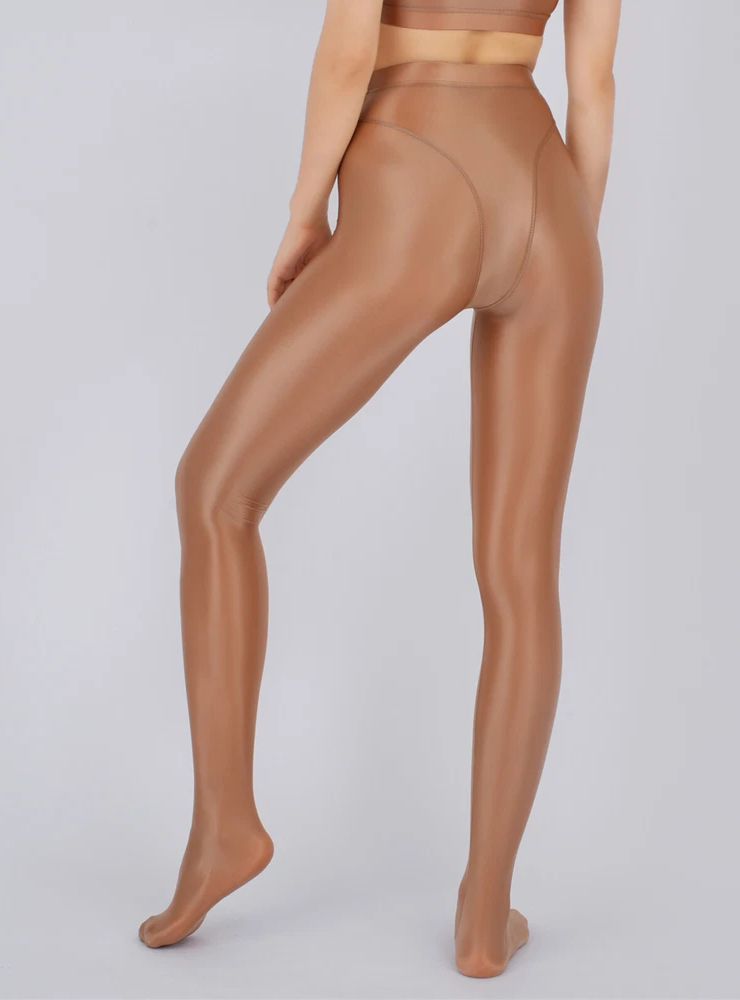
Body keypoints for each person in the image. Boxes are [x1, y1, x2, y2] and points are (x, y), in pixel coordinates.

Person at [138, 0, 621, 979]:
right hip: (550, 193)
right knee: (521, 579)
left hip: (418, 165)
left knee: (216, 491)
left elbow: (348, 51)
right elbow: (594, 88)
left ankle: (226, 825)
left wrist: (305, 213)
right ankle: (484, 916)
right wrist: (568, 242)